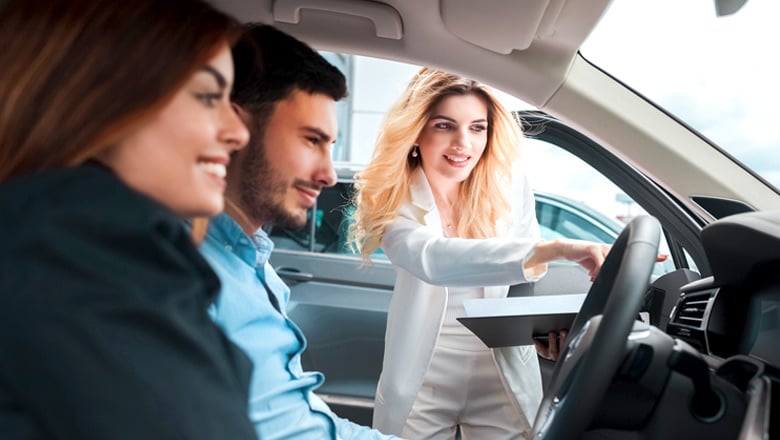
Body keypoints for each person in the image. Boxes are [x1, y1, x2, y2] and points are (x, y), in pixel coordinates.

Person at [0, 1, 258, 438]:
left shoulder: (37, 229)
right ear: (95, 98)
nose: (239, 132)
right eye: (208, 96)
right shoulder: (80, 239)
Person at [348, 67, 612, 439]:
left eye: (477, 127)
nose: (463, 143)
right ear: (416, 131)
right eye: (444, 125)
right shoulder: (395, 199)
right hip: (423, 376)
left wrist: (542, 334)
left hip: (500, 368)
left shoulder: (509, 186)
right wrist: (556, 248)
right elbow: (433, 260)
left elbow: (522, 279)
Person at [199, 24, 400, 440]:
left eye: (331, 147)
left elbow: (302, 418)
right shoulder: (188, 271)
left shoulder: (255, 266)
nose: (328, 175)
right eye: (312, 140)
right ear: (235, 128)